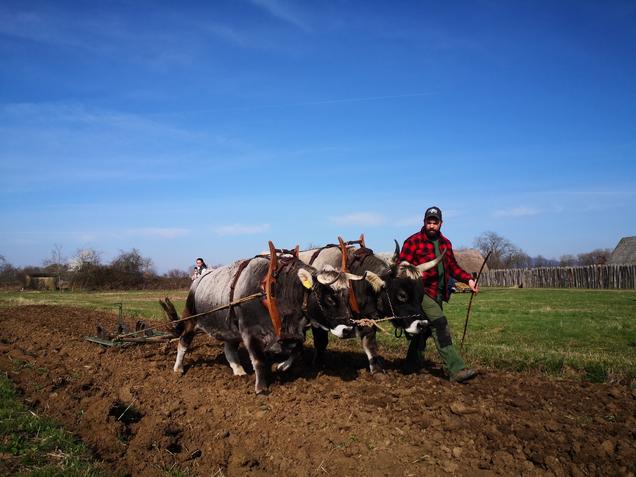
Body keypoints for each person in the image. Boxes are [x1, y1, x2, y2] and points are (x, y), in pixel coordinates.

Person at [398, 206, 478, 383]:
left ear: (441, 223)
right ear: (424, 222)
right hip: (421, 293)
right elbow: (401, 267)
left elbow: (453, 267)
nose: (432, 225)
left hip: (438, 293)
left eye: (435, 222)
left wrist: (468, 280)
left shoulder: (445, 243)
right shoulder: (413, 242)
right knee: (439, 323)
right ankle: (456, 369)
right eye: (429, 222)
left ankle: (410, 365)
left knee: (424, 330)